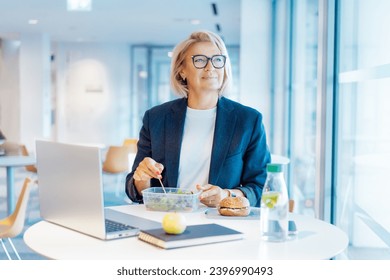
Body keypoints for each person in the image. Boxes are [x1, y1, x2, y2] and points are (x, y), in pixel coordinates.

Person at [125, 30, 271, 207]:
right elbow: (135, 189)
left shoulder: (248, 120)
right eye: (200, 60)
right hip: (166, 219)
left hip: (221, 223)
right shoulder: (156, 118)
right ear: (182, 71)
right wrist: (141, 179)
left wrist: (226, 195)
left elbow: (261, 187)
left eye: (217, 60)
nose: (211, 67)